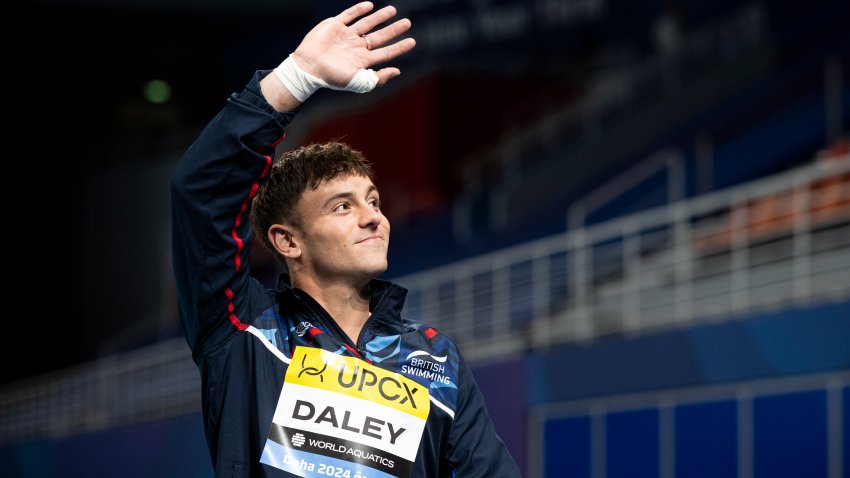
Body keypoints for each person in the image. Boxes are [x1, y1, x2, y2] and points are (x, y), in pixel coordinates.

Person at [171, 2, 522, 477]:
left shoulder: (434, 358)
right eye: (343, 206)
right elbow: (201, 196)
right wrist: (296, 77)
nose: (373, 218)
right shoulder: (244, 331)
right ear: (287, 241)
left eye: (374, 201)